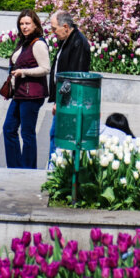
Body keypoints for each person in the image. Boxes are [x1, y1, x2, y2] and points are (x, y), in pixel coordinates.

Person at [3, 9, 49, 169]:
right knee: (8, 129)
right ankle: (15, 168)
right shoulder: (24, 42)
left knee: (27, 134)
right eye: (21, 24)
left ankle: (28, 169)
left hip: (32, 95)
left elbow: (45, 68)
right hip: (19, 94)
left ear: (35, 24)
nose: (24, 26)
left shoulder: (38, 44)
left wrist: (24, 72)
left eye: (27, 23)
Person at [47, 10, 91, 165]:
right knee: (56, 136)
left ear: (65, 26)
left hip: (68, 103)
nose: (53, 33)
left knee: (58, 137)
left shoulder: (78, 43)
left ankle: (55, 169)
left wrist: (60, 101)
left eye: (54, 29)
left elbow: (74, 76)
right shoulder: (68, 40)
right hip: (63, 101)